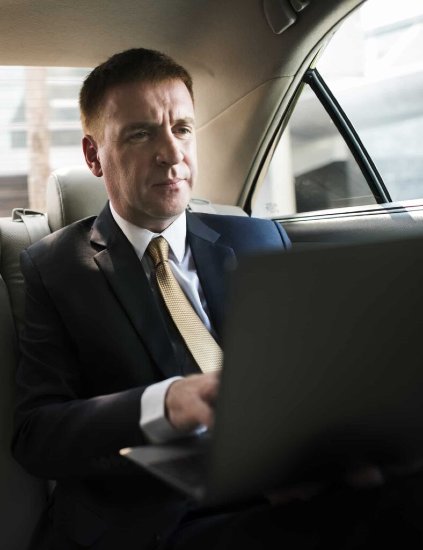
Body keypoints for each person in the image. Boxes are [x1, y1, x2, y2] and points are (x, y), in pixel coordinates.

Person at [12, 48, 423, 550]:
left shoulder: (258, 238)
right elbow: (36, 434)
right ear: (94, 155)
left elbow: (306, 380)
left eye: (182, 128)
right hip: (156, 521)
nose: (172, 152)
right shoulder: (53, 268)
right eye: (141, 133)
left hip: (281, 488)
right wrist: (165, 402)